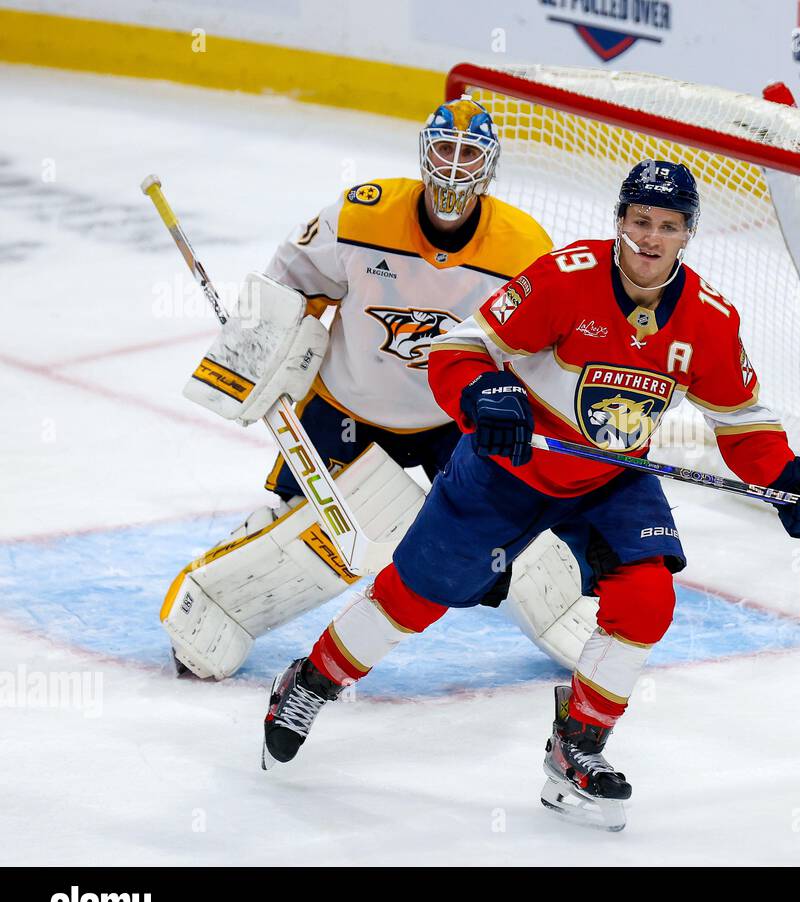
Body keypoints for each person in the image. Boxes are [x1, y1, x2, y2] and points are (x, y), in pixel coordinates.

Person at [260, 159, 800, 831]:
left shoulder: (709, 322)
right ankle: (310, 681)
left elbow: (744, 424)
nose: (649, 239)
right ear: (620, 221)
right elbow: (460, 349)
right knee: (418, 594)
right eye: (638, 222)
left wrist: (791, 479)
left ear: (688, 233)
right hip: (511, 467)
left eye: (667, 226)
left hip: (609, 476)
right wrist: (486, 393)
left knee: (647, 596)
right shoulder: (565, 278)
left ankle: (578, 745)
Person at [160, 96, 591, 681]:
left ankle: (564, 608)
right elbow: (293, 280)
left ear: (490, 168)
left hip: (452, 416)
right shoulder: (363, 213)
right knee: (304, 522)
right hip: (346, 402)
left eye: (470, 155)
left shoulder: (523, 247)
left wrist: (527, 404)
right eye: (444, 149)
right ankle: (214, 607)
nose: (455, 168)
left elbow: (541, 343)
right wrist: (257, 349)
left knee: (503, 522)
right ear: (423, 152)